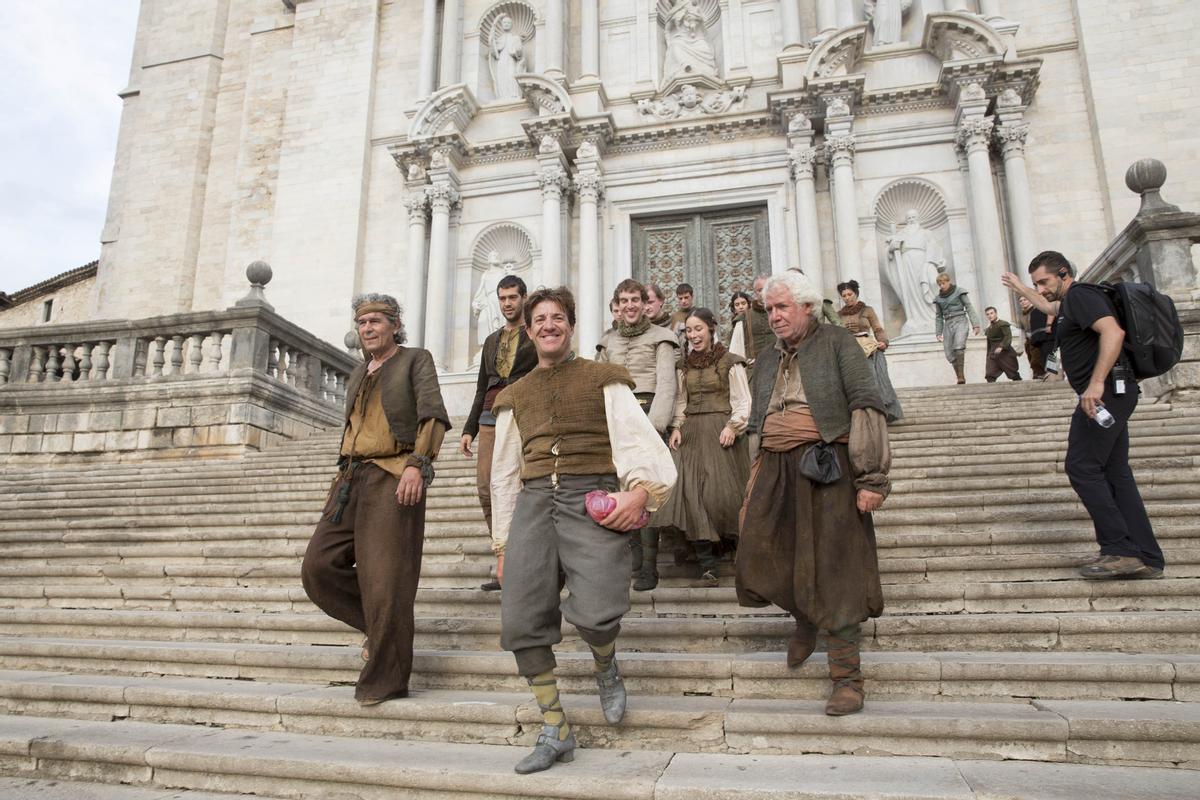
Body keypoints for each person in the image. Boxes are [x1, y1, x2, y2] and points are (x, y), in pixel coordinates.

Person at [490, 286, 677, 773]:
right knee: (521, 619)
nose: (549, 325)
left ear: (571, 326)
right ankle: (555, 728)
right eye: (540, 320)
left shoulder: (604, 379)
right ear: (529, 330)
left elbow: (637, 441)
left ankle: (605, 665)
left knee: (597, 611)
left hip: (588, 496)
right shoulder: (514, 395)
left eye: (558, 318)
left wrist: (639, 493)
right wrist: (503, 542)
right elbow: (506, 472)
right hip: (533, 504)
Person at [737, 271, 890, 717]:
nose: (775, 316)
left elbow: (866, 401)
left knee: (837, 566)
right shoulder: (766, 357)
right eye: (770, 309)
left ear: (807, 306)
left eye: (783, 307)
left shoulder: (839, 342)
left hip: (828, 466)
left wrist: (871, 479)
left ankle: (847, 677)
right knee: (769, 551)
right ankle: (804, 616)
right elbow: (756, 420)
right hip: (775, 465)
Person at [301, 293, 451, 706]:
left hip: (393, 474)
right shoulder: (356, 372)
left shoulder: (415, 359)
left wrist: (418, 464)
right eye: (362, 322)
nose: (368, 328)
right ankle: (383, 630)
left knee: (386, 583)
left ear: (395, 324)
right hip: (351, 477)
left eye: (376, 321)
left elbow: (433, 414)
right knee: (317, 567)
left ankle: (384, 680)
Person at [1002, 252, 1164, 580]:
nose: (1041, 289)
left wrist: (1095, 383)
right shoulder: (1071, 301)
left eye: (1044, 281)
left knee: (1082, 467)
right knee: (1116, 473)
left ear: (1064, 274)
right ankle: (1147, 555)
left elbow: (1113, 333)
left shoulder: (1081, 295)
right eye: (1036, 283)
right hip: (1115, 392)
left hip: (1105, 393)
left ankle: (1120, 549)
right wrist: (1021, 288)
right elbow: (1048, 308)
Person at [652, 308, 751, 587]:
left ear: (711, 329)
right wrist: (676, 428)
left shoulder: (730, 362)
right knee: (689, 494)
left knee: (722, 496)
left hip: (721, 431)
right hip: (691, 434)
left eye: (699, 329)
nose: (694, 335)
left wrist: (734, 426)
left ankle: (742, 556)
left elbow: (743, 400)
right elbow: (681, 401)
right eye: (689, 331)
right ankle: (707, 565)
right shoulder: (683, 366)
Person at [597, 279, 679, 590]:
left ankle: (649, 566)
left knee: (645, 490)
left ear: (645, 304)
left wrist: (656, 426)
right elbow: (598, 382)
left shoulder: (662, 338)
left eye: (636, 300)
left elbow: (667, 384)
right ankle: (631, 556)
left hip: (646, 415)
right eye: (625, 300)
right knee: (620, 486)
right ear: (617, 305)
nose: (630, 306)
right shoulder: (608, 342)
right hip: (616, 417)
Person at [461, 274, 538, 591]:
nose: (507, 303)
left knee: (516, 488)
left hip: (520, 414)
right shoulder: (491, 340)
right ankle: (504, 552)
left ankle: (520, 561)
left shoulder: (534, 335)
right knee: (485, 488)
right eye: (503, 298)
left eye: (512, 297)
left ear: (523, 298)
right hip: (489, 418)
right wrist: (469, 428)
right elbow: (482, 385)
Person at [837, 280, 904, 422]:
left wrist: (883, 342)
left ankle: (881, 411)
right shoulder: (839, 314)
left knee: (874, 379)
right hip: (849, 350)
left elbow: (877, 328)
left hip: (868, 348)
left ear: (856, 294)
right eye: (844, 295)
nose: (847, 297)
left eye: (850, 294)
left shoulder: (867, 310)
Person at [932, 271, 981, 384]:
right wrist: (938, 332)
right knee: (949, 353)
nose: (942, 286)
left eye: (943, 283)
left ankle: (961, 376)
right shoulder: (938, 298)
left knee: (959, 347)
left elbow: (969, 307)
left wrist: (976, 324)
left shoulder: (959, 291)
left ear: (948, 281)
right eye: (940, 284)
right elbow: (939, 317)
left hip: (960, 320)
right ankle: (958, 375)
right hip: (948, 324)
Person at [983, 306, 1023, 383]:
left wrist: (1001, 346)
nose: (990, 316)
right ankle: (992, 393)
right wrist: (988, 354)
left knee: (1012, 373)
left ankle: (1021, 386)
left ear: (996, 313)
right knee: (990, 374)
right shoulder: (989, 328)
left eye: (992, 313)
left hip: (1005, 352)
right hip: (993, 353)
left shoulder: (1002, 324)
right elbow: (989, 343)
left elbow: (1008, 336)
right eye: (987, 314)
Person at [1019, 295, 1051, 380]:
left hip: (1039, 337)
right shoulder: (1022, 316)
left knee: (1036, 359)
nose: (1023, 302)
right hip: (1029, 340)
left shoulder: (1037, 310)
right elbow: (1022, 330)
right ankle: (1038, 375)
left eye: (1025, 299)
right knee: (1031, 360)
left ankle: (1043, 374)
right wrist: (1021, 345)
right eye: (1021, 301)